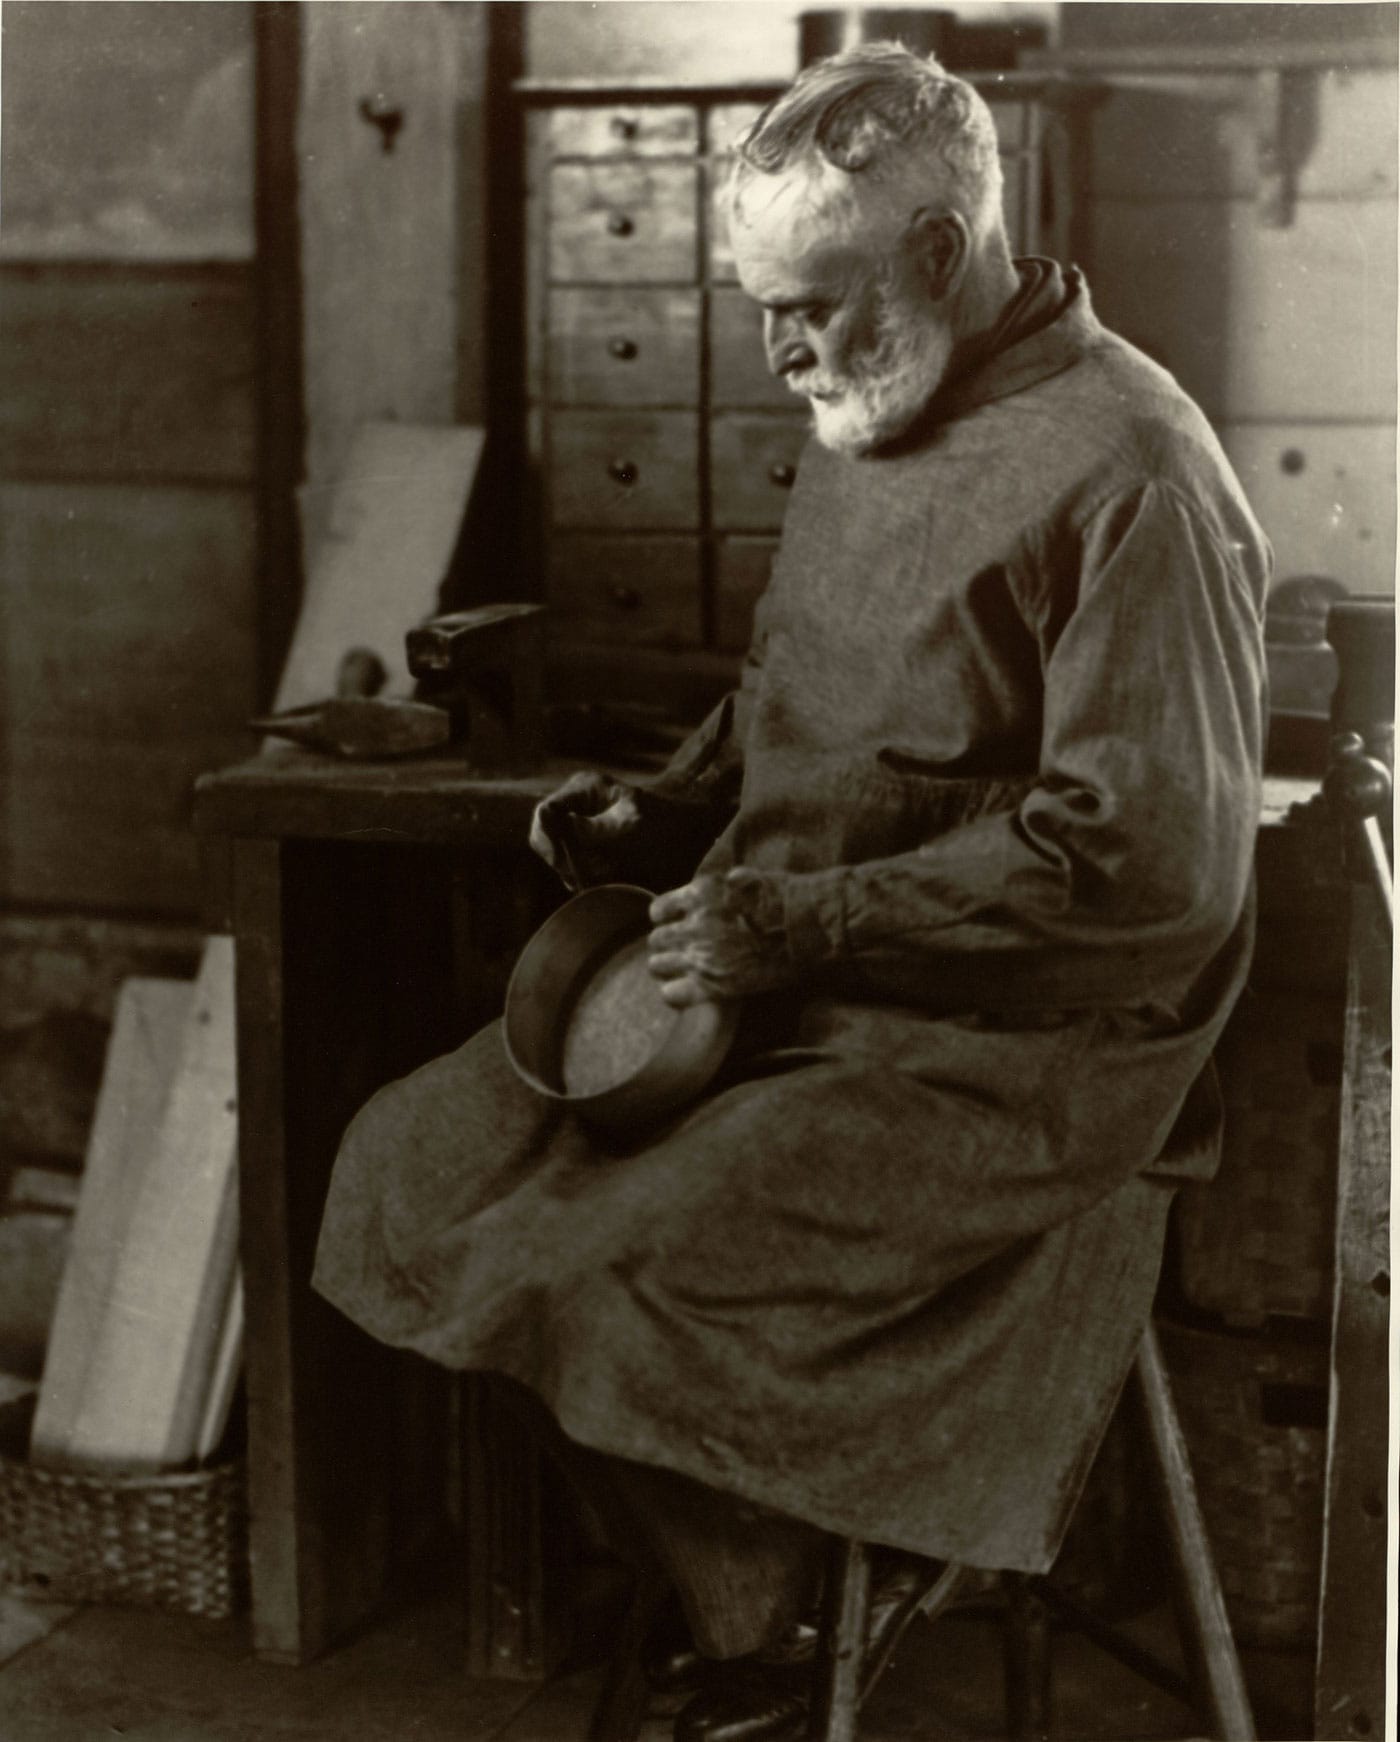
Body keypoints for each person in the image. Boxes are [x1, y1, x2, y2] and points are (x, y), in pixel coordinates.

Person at [314, 43, 1269, 1742]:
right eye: (757, 307)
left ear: (934, 258)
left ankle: (785, 1623)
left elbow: (1149, 870)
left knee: (627, 1261)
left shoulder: (1135, 468)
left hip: (1033, 1038)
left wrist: (805, 924)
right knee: (410, 1162)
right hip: (796, 967)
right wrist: (668, 807)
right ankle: (754, 1588)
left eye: (808, 305)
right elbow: (800, 700)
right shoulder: (873, 395)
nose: (778, 354)